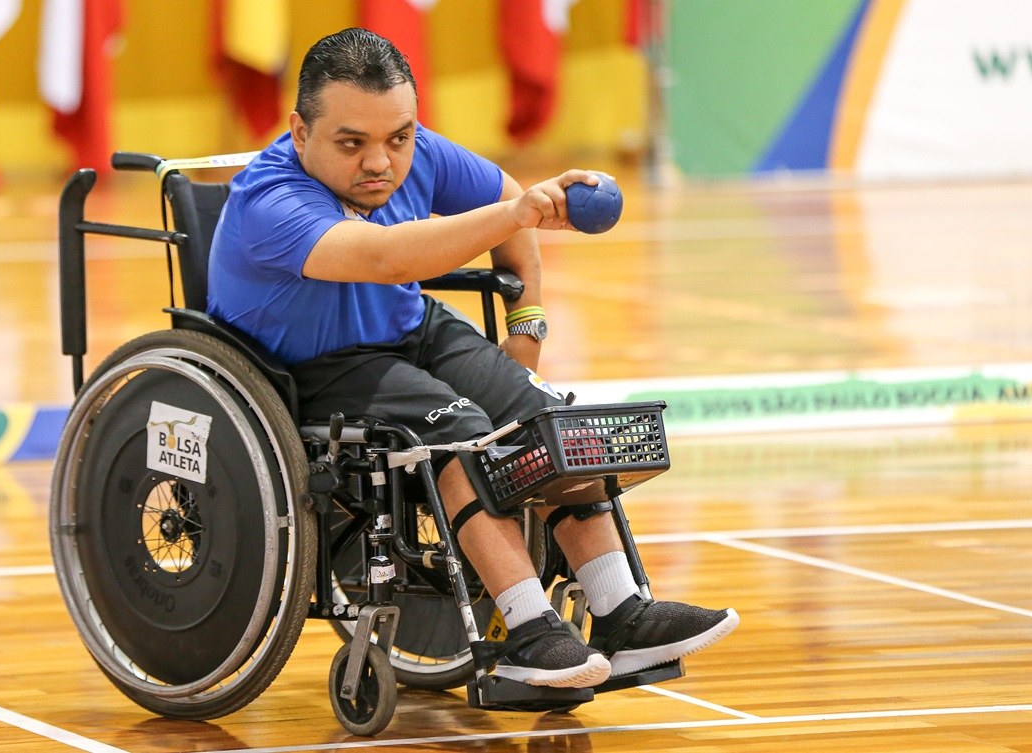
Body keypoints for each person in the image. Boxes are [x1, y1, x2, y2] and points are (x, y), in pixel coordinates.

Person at [207, 27, 737, 690]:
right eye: (352, 143)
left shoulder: (419, 151)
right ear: (299, 131)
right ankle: (526, 631)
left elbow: (510, 209)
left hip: (410, 329)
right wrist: (517, 212)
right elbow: (388, 256)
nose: (382, 162)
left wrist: (527, 324)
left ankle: (621, 612)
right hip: (310, 365)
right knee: (455, 432)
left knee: (544, 418)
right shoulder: (270, 200)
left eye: (398, 137)